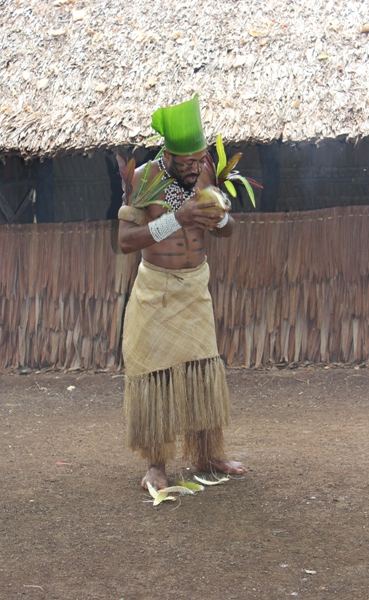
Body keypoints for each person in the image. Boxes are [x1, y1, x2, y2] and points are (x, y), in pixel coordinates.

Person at [118, 95, 246, 490]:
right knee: (156, 376)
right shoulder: (143, 178)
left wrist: (219, 216)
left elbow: (229, 229)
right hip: (156, 290)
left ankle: (209, 456)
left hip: (195, 289)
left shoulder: (207, 173)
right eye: (186, 162)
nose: (194, 168)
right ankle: (156, 465)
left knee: (203, 370)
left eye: (199, 159)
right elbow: (124, 241)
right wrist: (179, 217)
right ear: (168, 155)